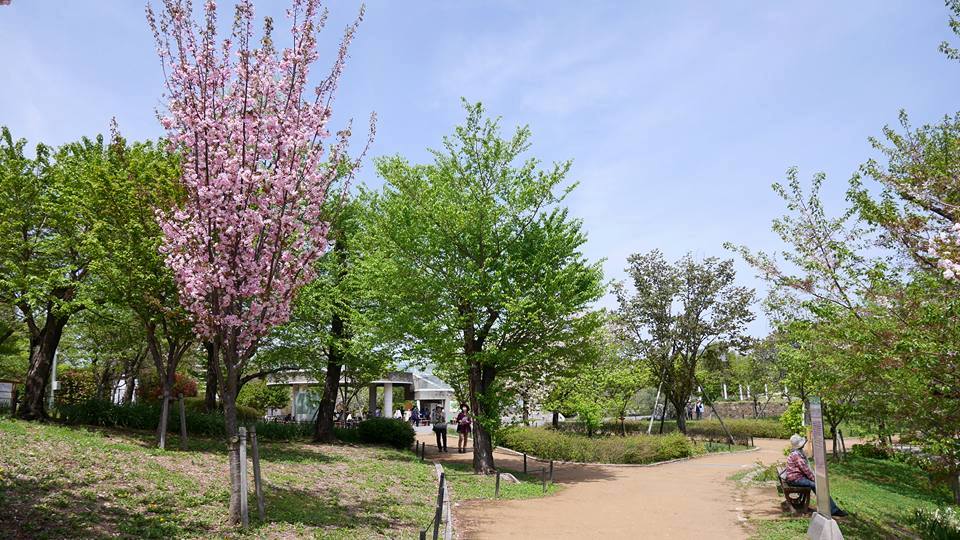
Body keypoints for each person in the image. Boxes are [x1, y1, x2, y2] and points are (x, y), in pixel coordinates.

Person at [784, 434, 847, 517]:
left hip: (795, 477)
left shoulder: (796, 453)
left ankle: (829, 507)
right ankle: (833, 509)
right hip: (795, 479)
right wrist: (815, 479)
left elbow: (805, 469)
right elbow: (805, 469)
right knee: (817, 485)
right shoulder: (796, 455)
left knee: (816, 484)